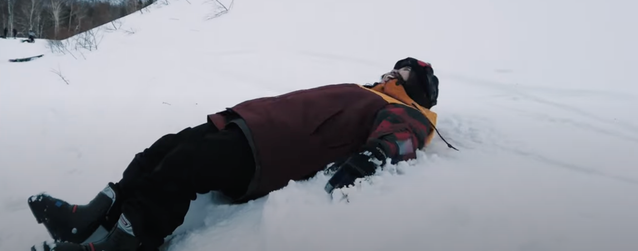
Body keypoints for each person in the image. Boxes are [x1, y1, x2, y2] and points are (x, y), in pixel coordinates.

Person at [29, 58, 447, 251]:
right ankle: (90, 220)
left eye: (404, 73)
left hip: (271, 149)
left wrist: (366, 162)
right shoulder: (368, 92)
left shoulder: (407, 112)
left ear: (419, 90)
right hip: (246, 123)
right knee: (158, 151)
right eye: (395, 67)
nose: (393, 72)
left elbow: (399, 142)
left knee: (181, 167)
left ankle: (125, 245)